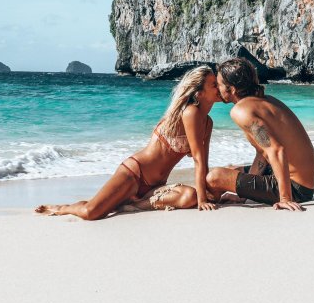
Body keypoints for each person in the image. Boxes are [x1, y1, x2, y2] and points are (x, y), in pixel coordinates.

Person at [35, 66, 220, 219]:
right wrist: (203, 201)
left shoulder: (207, 122)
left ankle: (132, 204)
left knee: (190, 196)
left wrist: (205, 196)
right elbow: (197, 159)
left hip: (155, 187)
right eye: (214, 85)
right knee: (90, 213)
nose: (219, 88)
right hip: (134, 173)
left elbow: (203, 162)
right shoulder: (190, 112)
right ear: (199, 93)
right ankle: (64, 208)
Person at [205, 58, 314, 211]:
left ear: (232, 89)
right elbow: (263, 152)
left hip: (295, 188)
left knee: (214, 177)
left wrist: (285, 198)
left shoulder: (241, 110)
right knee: (231, 169)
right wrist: (243, 195)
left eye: (219, 85)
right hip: (302, 182)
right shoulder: (266, 100)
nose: (217, 89)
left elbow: (276, 150)